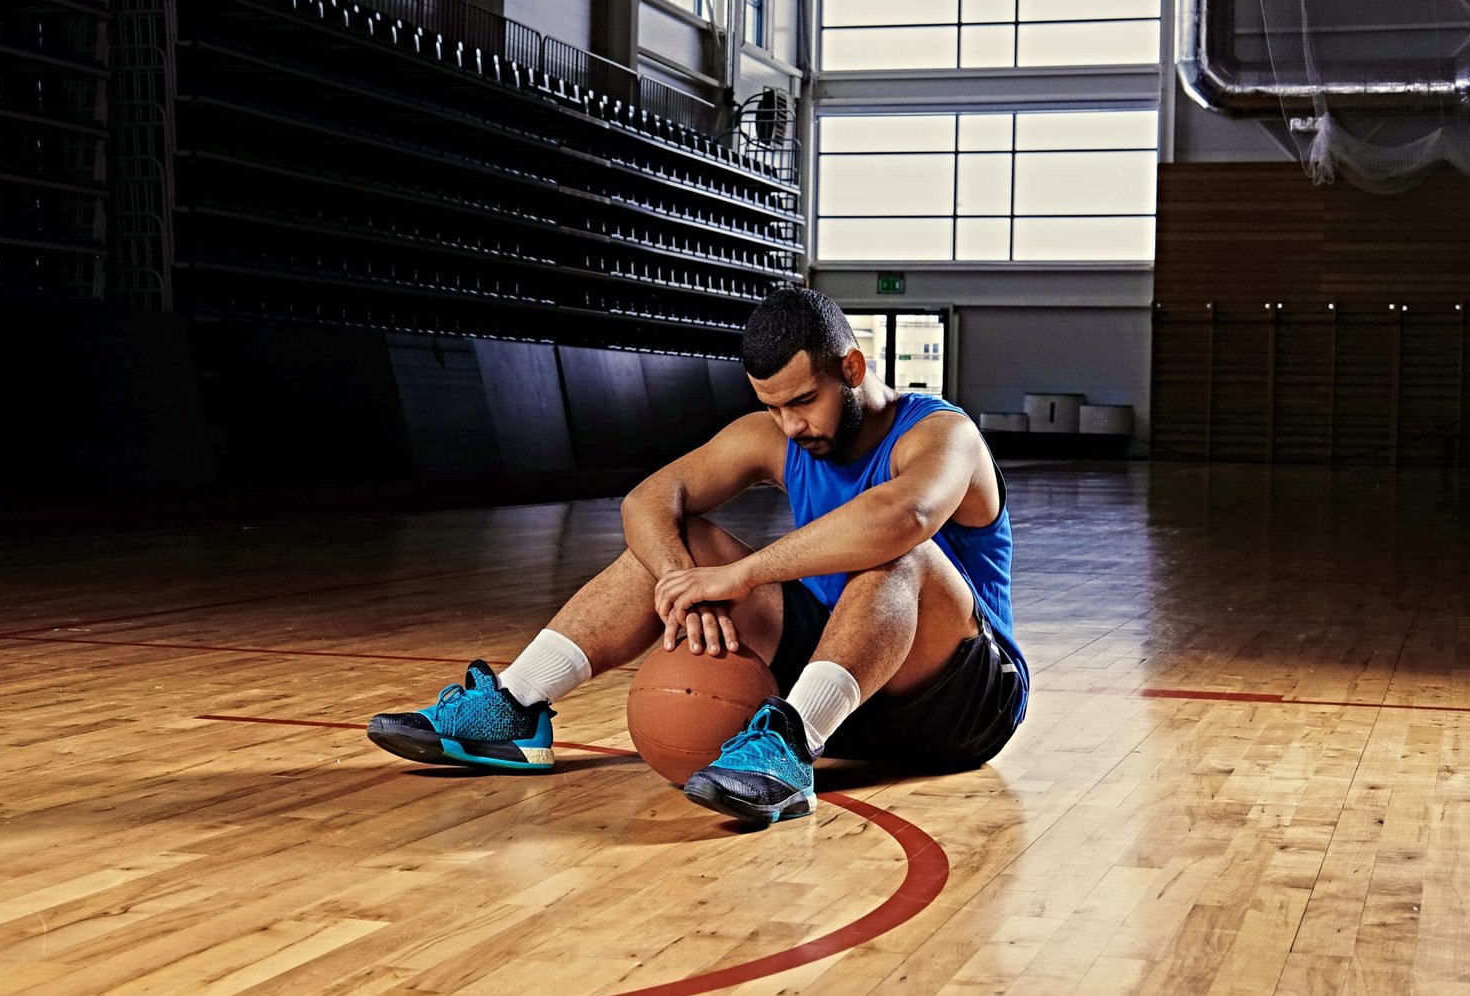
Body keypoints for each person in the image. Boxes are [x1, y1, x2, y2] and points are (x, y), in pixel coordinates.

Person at [367, 286, 1029, 825]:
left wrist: (742, 573)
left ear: (851, 369)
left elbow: (902, 517)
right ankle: (514, 706)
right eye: (773, 408)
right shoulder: (777, 433)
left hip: (960, 700)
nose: (791, 425)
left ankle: (791, 743)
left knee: (902, 554)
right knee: (688, 545)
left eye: (804, 401)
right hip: (849, 688)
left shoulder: (944, 435)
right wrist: (684, 585)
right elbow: (648, 499)